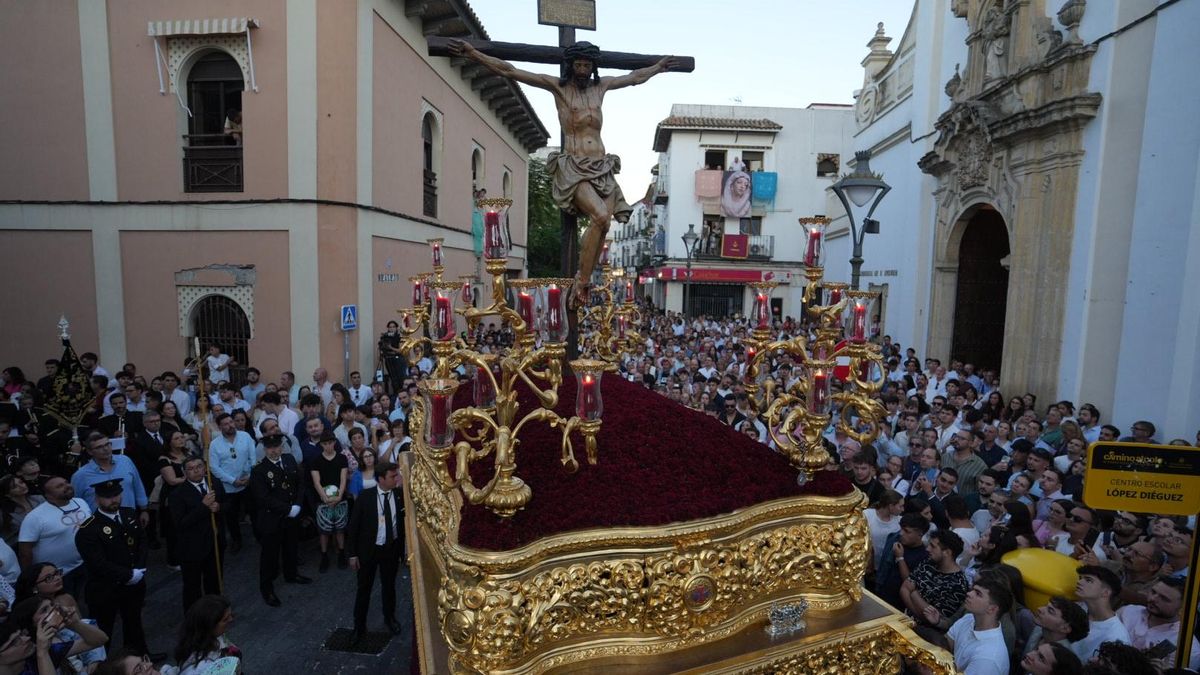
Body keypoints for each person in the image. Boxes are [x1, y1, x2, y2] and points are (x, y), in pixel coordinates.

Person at [448, 38, 679, 301]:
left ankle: (583, 281)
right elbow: (509, 70)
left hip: (601, 167)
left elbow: (634, 77)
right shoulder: (558, 88)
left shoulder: (600, 87)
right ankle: (581, 283)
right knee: (602, 217)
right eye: (578, 64)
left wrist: (658, 67)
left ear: (592, 67)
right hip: (573, 167)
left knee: (603, 226)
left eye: (586, 65)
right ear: (570, 65)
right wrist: (473, 53)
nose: (582, 70)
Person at [73, 478, 159, 658]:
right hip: (105, 589)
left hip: (133, 584)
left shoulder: (129, 514)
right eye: (107, 497)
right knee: (104, 631)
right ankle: (98, 667)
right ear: (97, 500)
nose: (113, 500)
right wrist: (128, 574)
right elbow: (97, 563)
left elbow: (142, 542)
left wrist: (140, 569)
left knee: (133, 623)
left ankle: (140, 658)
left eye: (116, 495)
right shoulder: (88, 529)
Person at [346, 461, 405, 645]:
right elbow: (353, 527)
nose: (396, 479)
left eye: (396, 476)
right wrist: (352, 554)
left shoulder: (400, 495)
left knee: (389, 587)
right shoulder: (365, 497)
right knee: (364, 589)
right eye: (393, 476)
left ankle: (390, 618)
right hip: (368, 551)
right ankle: (359, 627)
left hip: (391, 549)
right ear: (381, 479)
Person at [249, 434, 310, 607]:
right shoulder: (259, 470)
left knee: (291, 547)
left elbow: (300, 484)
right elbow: (263, 498)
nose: (274, 450)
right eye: (270, 448)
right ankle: (266, 588)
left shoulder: (289, 459)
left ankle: (291, 574)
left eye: (277, 447)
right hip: (272, 519)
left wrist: (297, 505)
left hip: (291, 516)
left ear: (282, 447)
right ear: (265, 450)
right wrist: (288, 509)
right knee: (270, 556)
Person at [17, 477, 90, 599]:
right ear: (48, 495)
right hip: (55, 576)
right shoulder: (35, 517)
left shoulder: (81, 502)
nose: (67, 486)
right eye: (59, 486)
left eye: (66, 482)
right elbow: (25, 551)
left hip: (83, 565)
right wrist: (30, 578)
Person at [170, 457, 225, 614]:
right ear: (185, 472)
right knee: (192, 587)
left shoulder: (214, 483)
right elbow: (180, 523)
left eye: (199, 466)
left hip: (214, 543)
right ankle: (194, 617)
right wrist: (203, 506)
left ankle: (215, 612)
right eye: (191, 468)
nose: (196, 470)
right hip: (191, 548)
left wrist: (219, 507)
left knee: (214, 581)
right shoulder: (178, 494)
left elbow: (228, 504)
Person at [1116, 576, 1200, 666]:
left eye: (1164, 599)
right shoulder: (1127, 611)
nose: (1152, 599)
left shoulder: (1188, 650)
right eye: (1153, 592)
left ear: (1183, 608)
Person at [206, 414, 254, 554]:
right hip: (228, 487)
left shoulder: (245, 436)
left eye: (231, 422)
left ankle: (259, 535)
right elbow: (214, 467)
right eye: (226, 424)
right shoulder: (215, 444)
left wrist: (250, 476)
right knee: (231, 516)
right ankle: (236, 539)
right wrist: (233, 480)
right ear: (220, 427)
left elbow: (253, 457)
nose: (230, 425)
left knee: (253, 510)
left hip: (247, 482)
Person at [945, 577, 1012, 675]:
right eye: (973, 590)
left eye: (978, 594)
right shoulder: (969, 618)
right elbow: (943, 646)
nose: (969, 593)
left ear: (992, 609)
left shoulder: (989, 658)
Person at [1069, 564, 1131, 662]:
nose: (1079, 582)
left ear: (1105, 592)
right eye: (1080, 578)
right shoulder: (1078, 608)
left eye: (1088, 580)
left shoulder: (1117, 637)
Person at [170, 595, 241, 675]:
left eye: (230, 615)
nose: (231, 619)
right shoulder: (201, 668)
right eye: (225, 619)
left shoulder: (214, 637)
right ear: (210, 626)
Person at [310, 431, 349, 572]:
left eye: (330, 443)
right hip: (323, 500)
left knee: (340, 529)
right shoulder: (316, 461)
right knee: (324, 531)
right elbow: (316, 482)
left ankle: (341, 552)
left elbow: (343, 479)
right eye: (325, 444)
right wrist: (324, 497)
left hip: (340, 498)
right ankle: (324, 555)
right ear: (321, 445)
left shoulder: (342, 458)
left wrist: (339, 496)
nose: (328, 446)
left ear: (334, 442)